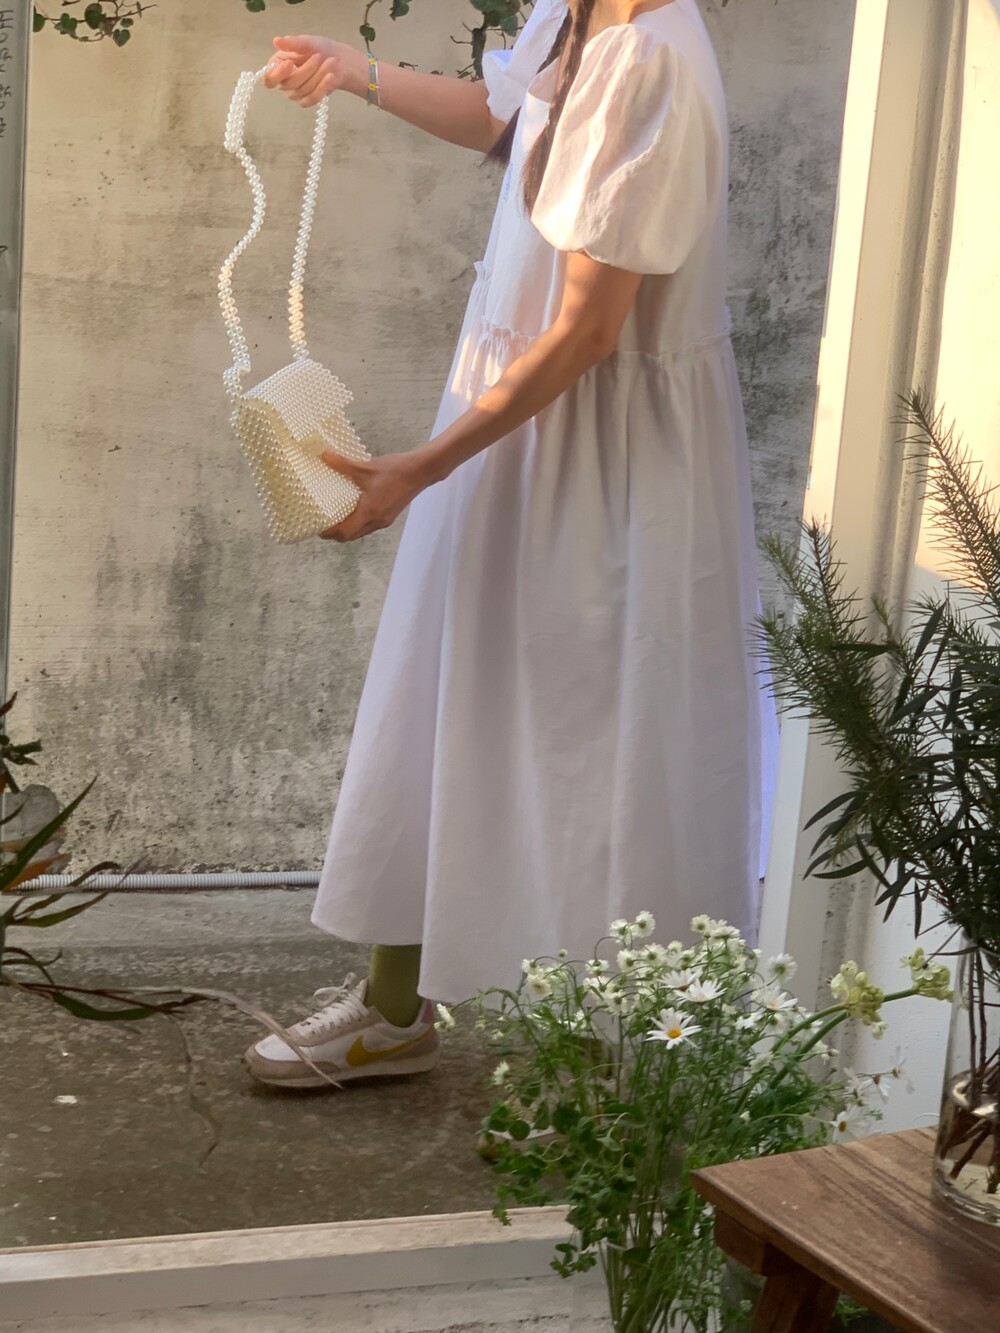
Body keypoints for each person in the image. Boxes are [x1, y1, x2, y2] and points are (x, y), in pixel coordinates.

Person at [244, 0, 777, 1089]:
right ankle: (396, 1010)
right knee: (447, 690)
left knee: (590, 736)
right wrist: (355, 71)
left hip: (605, 451)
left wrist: (424, 465)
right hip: (511, 413)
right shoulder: (577, 15)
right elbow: (505, 120)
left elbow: (590, 329)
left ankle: (595, 1069)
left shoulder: (653, 59)